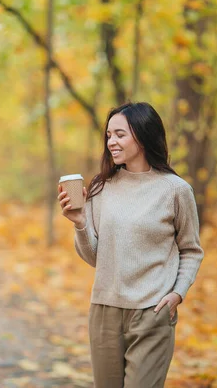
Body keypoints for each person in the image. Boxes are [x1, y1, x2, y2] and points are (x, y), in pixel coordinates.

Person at [57, 102, 204, 388]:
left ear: (143, 135)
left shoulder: (175, 190)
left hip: (152, 312)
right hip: (104, 312)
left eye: (120, 134)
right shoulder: (102, 187)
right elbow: (95, 257)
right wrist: (79, 221)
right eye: (109, 135)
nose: (112, 141)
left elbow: (191, 249)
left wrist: (177, 293)